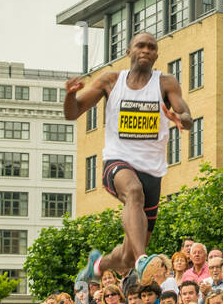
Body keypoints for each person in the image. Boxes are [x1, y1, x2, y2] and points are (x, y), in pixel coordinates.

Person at [69, 33, 193, 285]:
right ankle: (142, 260)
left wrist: (182, 119)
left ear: (157, 54)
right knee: (133, 192)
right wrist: (70, 95)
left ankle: (98, 264)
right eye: (140, 45)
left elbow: (185, 112)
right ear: (129, 51)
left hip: (152, 171)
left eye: (151, 47)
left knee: (124, 257)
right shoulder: (111, 81)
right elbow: (73, 112)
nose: (146, 50)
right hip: (117, 161)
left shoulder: (165, 83)